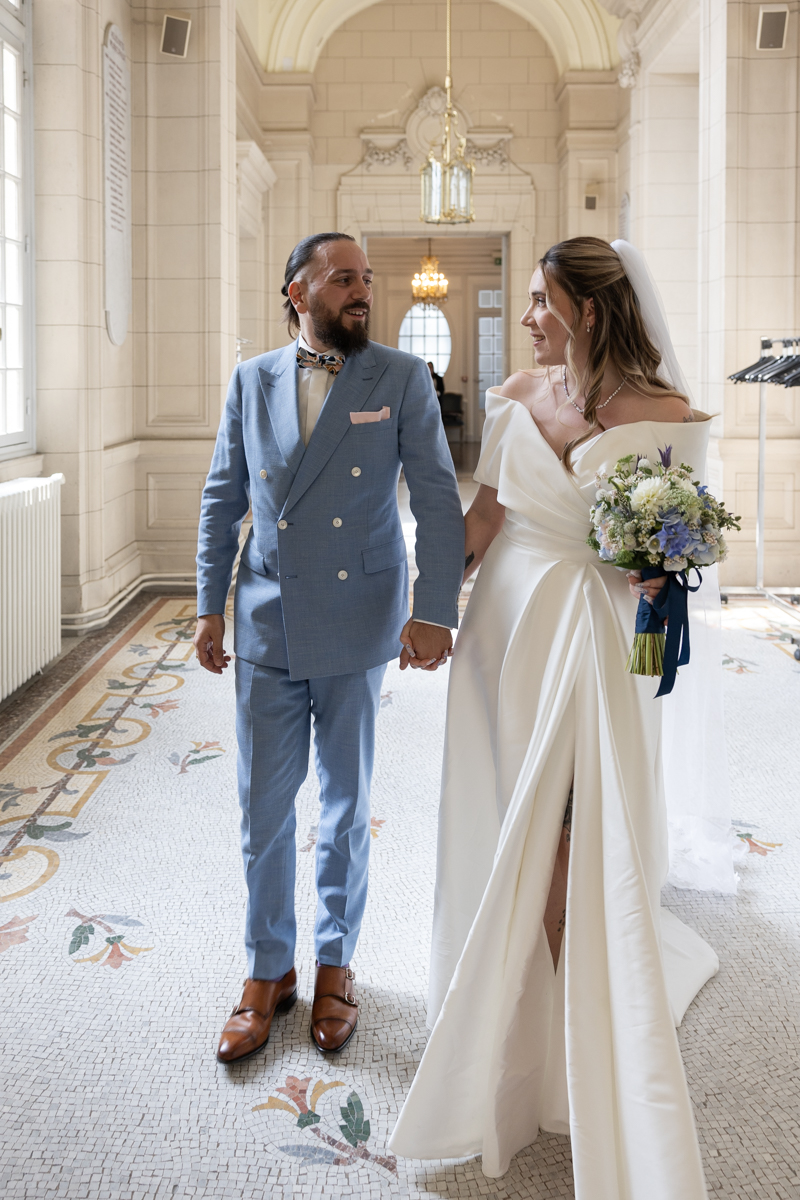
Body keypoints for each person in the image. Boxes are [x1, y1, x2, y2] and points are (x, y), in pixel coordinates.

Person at [390, 237, 729, 1198]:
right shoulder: (516, 398)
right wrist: (428, 603)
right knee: (508, 804)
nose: (531, 315)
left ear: (589, 308)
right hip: (505, 629)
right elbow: (486, 518)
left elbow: (673, 557)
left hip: (599, 636)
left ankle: (569, 1011)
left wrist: (660, 567)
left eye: (544, 299)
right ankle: (515, 993)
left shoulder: (668, 415)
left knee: (577, 818)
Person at [194, 232, 464, 1063]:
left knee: (346, 805)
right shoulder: (252, 380)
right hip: (267, 615)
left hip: (358, 614)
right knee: (263, 807)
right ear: (298, 292)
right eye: (343, 279)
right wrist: (208, 607)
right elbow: (222, 498)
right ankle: (267, 969)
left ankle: (336, 962)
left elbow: (437, 498)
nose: (362, 292)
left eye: (366, 279)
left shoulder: (402, 377)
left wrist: (435, 609)